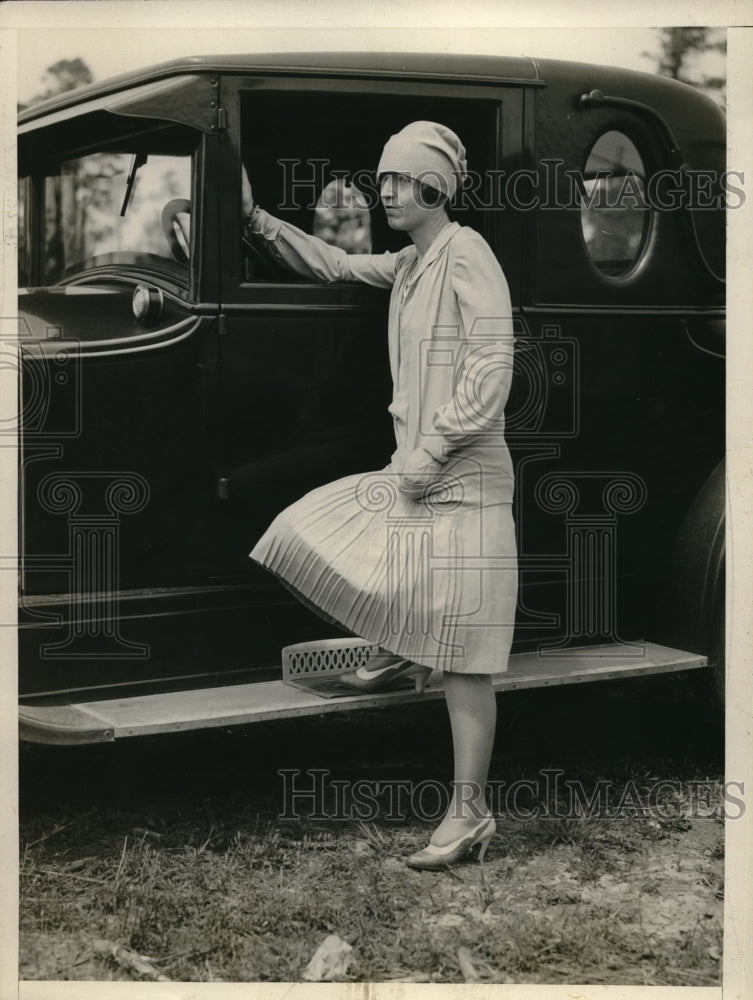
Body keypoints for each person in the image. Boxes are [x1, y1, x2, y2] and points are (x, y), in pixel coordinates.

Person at [244, 121, 518, 870]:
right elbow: (333, 262)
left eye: (399, 180)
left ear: (435, 186)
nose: (385, 192)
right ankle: (402, 647)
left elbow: (492, 372)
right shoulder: (411, 261)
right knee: (307, 530)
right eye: (383, 179)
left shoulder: (466, 253)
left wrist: (431, 449)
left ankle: (469, 815)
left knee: (466, 659)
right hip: (420, 470)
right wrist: (251, 219)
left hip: (462, 473)